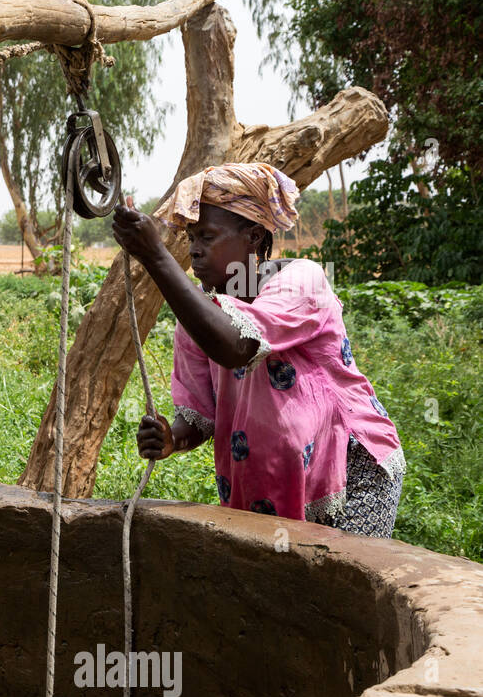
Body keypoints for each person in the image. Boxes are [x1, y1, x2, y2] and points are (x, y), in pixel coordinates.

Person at [112, 161, 404, 538]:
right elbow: (201, 415)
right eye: (190, 240)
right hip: (268, 490)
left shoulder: (302, 282)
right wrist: (172, 438)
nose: (194, 252)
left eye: (207, 237)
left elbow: (236, 346)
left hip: (350, 473)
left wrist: (155, 256)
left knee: (339, 589)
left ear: (252, 237)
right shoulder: (199, 316)